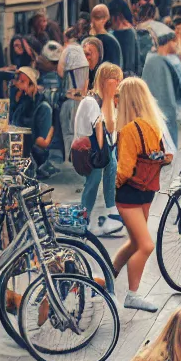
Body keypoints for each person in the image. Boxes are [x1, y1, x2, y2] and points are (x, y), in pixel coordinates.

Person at [113, 77, 174, 312]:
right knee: (143, 244)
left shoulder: (129, 130)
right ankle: (132, 294)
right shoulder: (154, 125)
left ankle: (114, 283)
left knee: (138, 243)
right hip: (147, 190)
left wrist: (112, 185)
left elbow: (124, 171)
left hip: (129, 192)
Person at [74, 62, 123, 237]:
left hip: (96, 150)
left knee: (111, 165)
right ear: (105, 81)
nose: (118, 83)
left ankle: (111, 213)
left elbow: (112, 133)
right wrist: (109, 99)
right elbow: (104, 129)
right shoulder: (91, 102)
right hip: (87, 152)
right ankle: (82, 221)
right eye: (115, 80)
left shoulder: (104, 101)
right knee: (93, 183)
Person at [10, 67, 57, 176]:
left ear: (32, 86)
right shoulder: (22, 102)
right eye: (18, 81)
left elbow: (42, 142)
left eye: (22, 82)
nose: (18, 85)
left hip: (33, 153)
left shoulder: (42, 107)